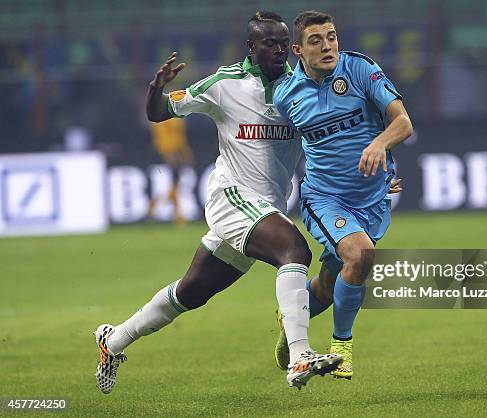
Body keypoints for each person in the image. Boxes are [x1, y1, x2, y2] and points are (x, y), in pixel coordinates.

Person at [93, 11, 342, 394]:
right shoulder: (224, 84)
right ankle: (299, 355)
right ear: (251, 47)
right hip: (232, 199)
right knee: (294, 250)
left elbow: (328, 140)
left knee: (189, 293)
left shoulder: (301, 88)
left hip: (267, 206)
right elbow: (158, 113)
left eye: (282, 44)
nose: (278, 51)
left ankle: (113, 341)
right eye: (269, 44)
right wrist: (154, 90)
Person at [273, 10, 414, 379]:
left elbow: (402, 122)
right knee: (361, 254)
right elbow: (279, 149)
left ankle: (292, 317)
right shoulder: (285, 96)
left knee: (327, 284)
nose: (327, 46)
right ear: (297, 50)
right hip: (324, 198)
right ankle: (342, 348)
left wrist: (381, 147)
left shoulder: (360, 70)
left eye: (332, 37)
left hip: (371, 200)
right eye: (316, 40)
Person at [147, 117, 194, 224]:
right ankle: (157, 208)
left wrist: (185, 151)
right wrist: (168, 153)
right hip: (168, 152)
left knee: (174, 183)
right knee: (172, 183)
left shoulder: (176, 115)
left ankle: (158, 209)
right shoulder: (163, 116)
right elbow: (161, 136)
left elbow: (180, 137)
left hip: (176, 152)